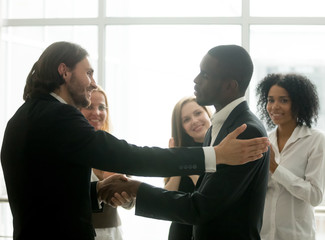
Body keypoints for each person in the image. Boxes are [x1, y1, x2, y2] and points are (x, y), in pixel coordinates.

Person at [0, 41, 269, 240]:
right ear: (64, 72)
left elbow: (46, 193)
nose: (94, 83)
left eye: (205, 74)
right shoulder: (57, 116)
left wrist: (98, 192)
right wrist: (216, 156)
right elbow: (126, 156)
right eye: (89, 73)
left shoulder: (28, 115)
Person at [99, 45, 270, 240]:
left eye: (205, 75)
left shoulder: (245, 132)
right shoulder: (218, 126)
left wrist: (136, 189)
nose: (196, 80)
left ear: (229, 86)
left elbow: (200, 208)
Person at [255, 73, 325, 240]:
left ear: (298, 103)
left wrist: (275, 168)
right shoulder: (265, 141)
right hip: (263, 234)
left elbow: (315, 196)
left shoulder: (315, 141)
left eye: (283, 100)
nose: (274, 107)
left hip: (296, 235)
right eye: (270, 100)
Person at [80, 86, 134, 240]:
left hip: (112, 233)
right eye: (89, 106)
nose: (96, 112)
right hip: (79, 231)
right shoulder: (71, 148)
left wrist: (122, 189)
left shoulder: (114, 149)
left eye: (102, 107)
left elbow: (131, 203)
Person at [164, 96, 212, 240]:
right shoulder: (179, 153)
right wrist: (177, 161)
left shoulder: (222, 151)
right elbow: (166, 201)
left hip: (209, 231)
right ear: (181, 128)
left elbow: (210, 198)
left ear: (207, 113)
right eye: (186, 119)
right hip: (180, 231)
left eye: (198, 113)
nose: (194, 121)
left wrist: (188, 169)